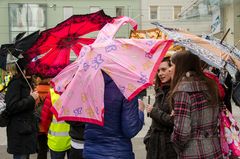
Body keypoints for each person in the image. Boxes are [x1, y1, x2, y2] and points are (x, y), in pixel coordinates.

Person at [169, 51, 222, 159]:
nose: (170, 69)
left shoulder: (183, 91)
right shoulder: (210, 85)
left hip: (193, 152)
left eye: (172, 65)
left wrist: (175, 143)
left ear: (181, 66)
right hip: (214, 149)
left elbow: (182, 133)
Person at [83, 71, 144, 159]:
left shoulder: (88, 85)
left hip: (90, 152)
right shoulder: (127, 86)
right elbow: (130, 130)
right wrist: (140, 111)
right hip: (117, 152)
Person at [5, 58, 39, 159]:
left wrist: (34, 101)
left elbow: (26, 105)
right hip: (19, 130)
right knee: (21, 156)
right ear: (23, 70)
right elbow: (11, 106)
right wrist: (31, 98)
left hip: (27, 128)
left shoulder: (27, 83)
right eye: (30, 68)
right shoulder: (15, 83)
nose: (32, 70)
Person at [144, 56, 177, 159]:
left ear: (172, 69)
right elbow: (155, 122)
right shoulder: (160, 90)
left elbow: (174, 121)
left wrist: (154, 111)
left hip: (168, 148)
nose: (160, 73)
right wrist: (147, 139)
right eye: (158, 71)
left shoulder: (177, 92)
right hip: (153, 145)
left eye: (163, 69)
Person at [40, 88, 71, 159]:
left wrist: (46, 130)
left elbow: (45, 117)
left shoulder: (52, 93)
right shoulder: (77, 91)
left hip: (56, 140)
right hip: (74, 139)